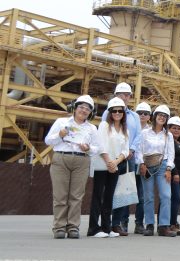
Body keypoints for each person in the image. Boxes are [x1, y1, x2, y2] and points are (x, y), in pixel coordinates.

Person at [45, 95, 100, 239]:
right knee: (60, 195)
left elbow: (97, 148)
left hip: (82, 161)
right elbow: (48, 140)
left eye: (87, 109)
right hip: (61, 158)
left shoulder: (92, 128)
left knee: (76, 196)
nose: (84, 110)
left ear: (90, 113)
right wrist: (60, 134)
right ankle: (59, 227)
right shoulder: (61, 122)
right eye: (81, 107)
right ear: (75, 108)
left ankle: (73, 226)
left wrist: (88, 148)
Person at [88, 97, 129, 238]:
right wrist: (109, 162)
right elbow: (101, 145)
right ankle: (93, 228)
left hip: (114, 166)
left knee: (109, 197)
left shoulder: (124, 129)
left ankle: (106, 227)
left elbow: (126, 150)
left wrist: (115, 163)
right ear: (110, 112)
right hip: (102, 165)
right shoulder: (104, 126)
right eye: (114, 111)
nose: (117, 113)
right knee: (97, 196)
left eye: (120, 111)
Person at [109, 83, 144, 236]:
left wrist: (131, 150)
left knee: (123, 190)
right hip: (111, 156)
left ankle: (118, 224)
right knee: (109, 189)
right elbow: (104, 131)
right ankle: (105, 222)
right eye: (122, 94)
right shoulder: (108, 112)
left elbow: (138, 136)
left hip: (128, 157)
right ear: (115, 95)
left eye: (128, 95)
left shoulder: (134, 116)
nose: (125, 97)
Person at [136, 105, 176, 237]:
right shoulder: (145, 133)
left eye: (164, 116)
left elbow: (171, 153)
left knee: (166, 195)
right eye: (160, 115)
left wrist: (169, 168)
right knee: (148, 197)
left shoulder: (168, 135)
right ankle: (149, 225)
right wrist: (141, 163)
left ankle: (163, 226)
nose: (161, 117)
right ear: (154, 116)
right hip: (146, 165)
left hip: (162, 166)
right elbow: (139, 150)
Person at [167, 116, 180, 236]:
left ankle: (173, 222)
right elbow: (170, 158)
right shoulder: (168, 142)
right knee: (173, 198)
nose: (176, 130)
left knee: (176, 199)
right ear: (168, 129)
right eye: (173, 128)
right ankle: (170, 224)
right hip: (173, 174)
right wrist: (174, 173)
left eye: (179, 128)